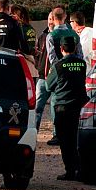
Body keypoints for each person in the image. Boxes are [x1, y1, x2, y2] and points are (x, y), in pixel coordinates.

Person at [46, 29, 88, 181]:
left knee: (65, 141)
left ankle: (70, 171)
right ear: (75, 48)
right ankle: (80, 170)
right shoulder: (82, 64)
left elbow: (48, 86)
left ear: (61, 48)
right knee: (77, 140)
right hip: (79, 107)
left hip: (63, 107)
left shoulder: (58, 66)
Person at [35, 9, 60, 145]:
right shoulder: (42, 36)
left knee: (55, 108)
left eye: (52, 19)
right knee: (37, 107)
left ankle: (56, 135)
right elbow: (37, 53)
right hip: (42, 78)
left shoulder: (59, 36)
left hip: (56, 78)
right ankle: (33, 132)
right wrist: (39, 67)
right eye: (49, 19)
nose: (50, 22)